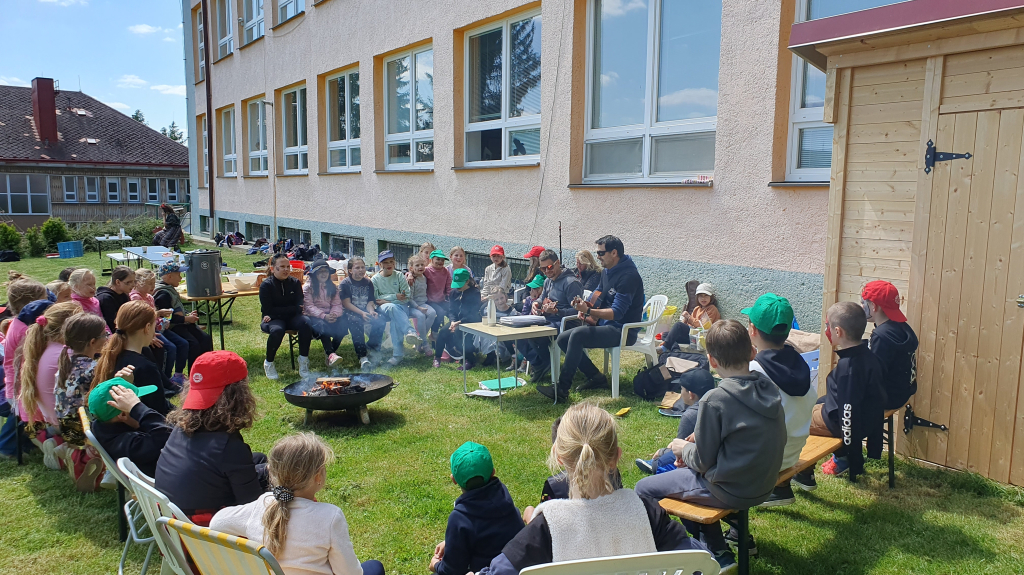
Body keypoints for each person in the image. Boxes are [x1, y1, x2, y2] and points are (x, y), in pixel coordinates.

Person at [478, 402, 706, 575]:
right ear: (615, 457)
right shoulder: (647, 512)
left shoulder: (547, 527)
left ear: (559, 457)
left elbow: (500, 571)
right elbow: (699, 561)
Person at [634, 320, 787, 572]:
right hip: (764, 485)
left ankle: (702, 550)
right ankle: (721, 541)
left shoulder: (714, 400)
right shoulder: (768, 388)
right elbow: (741, 436)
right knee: (685, 476)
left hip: (731, 489)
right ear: (752, 352)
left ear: (711, 361)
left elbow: (702, 461)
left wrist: (681, 448)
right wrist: (699, 437)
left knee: (643, 488)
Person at [211, 433, 385, 575]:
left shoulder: (262, 505)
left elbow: (217, 522)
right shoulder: (330, 517)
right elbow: (349, 573)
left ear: (272, 473)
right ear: (318, 477)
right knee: (375, 567)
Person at [156, 350, 269, 525]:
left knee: (260, 459)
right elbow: (252, 506)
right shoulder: (229, 446)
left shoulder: (180, 429)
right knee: (279, 482)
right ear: (238, 394)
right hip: (206, 533)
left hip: (172, 523)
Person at [539, 236, 645, 401]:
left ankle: (562, 389)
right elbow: (598, 294)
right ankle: (596, 377)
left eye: (601, 253)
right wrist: (585, 305)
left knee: (578, 335)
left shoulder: (628, 277)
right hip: (606, 325)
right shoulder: (607, 271)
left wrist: (588, 310)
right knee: (562, 339)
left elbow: (617, 313)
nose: (598, 257)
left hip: (623, 330)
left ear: (614, 253)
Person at [743, 294, 815, 508]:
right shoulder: (799, 362)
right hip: (792, 454)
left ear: (752, 330)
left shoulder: (754, 372)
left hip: (765, 463)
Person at [801, 301, 886, 483]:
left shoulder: (848, 369)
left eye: (827, 326)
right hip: (866, 419)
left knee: (794, 419)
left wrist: (854, 457)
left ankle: (802, 472)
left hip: (842, 424)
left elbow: (848, 415)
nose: (826, 330)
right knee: (817, 403)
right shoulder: (869, 357)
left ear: (838, 332)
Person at [429, 442, 524, 575]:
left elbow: (452, 570)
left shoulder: (459, 518)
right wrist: (450, 542)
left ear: (453, 479)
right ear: (493, 472)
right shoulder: (503, 497)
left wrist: (436, 565)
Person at [17, 301, 83, 471]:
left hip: (51, 419)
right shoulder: (65, 354)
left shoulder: (44, 348)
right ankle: (73, 452)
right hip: (67, 422)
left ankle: (60, 444)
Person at [522, 416, 623, 524]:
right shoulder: (612, 473)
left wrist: (529, 514)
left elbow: (545, 525)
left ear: (559, 455)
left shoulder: (553, 485)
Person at [93, 301, 176, 413]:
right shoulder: (144, 367)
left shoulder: (112, 354)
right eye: (154, 326)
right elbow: (159, 409)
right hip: (142, 420)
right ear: (147, 328)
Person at [0, 273, 48, 458]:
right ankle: (7, 447)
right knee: (22, 413)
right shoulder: (24, 329)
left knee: (24, 412)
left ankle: (27, 442)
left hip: (18, 379)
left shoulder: (19, 323)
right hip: (19, 383)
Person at [88, 376, 172, 479]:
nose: (144, 405)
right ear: (123, 414)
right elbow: (171, 436)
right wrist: (138, 409)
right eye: (138, 402)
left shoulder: (103, 427)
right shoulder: (130, 445)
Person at [634, 369, 715, 475]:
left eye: (681, 389)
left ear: (690, 394)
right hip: (717, 453)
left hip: (700, 459)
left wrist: (663, 451)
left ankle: (655, 465)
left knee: (669, 457)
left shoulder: (689, 416)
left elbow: (679, 448)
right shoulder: (718, 405)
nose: (680, 392)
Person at [527, 250, 583, 383]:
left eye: (549, 267)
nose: (547, 271)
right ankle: (542, 362)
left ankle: (543, 363)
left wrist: (557, 311)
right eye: (543, 268)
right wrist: (536, 303)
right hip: (549, 319)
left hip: (566, 323)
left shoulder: (571, 283)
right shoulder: (548, 281)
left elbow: (578, 311)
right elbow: (541, 298)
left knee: (534, 333)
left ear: (557, 263)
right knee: (523, 331)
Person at [862, 280, 918, 409]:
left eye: (863, 303)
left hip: (888, 399)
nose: (862, 307)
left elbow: (873, 375)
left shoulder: (881, 336)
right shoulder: (902, 327)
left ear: (874, 306)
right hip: (903, 393)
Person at [54, 313, 108, 446]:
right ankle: (81, 453)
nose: (107, 338)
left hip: (66, 429)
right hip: (86, 432)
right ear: (93, 342)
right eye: (104, 335)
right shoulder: (93, 369)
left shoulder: (65, 365)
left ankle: (70, 450)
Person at [154, 261, 213, 374]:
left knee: (205, 338)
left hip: (182, 323)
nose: (181, 278)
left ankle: (206, 369)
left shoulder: (169, 288)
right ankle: (194, 374)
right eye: (178, 275)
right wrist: (186, 319)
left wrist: (188, 315)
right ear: (169, 276)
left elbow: (177, 309)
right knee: (193, 344)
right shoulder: (163, 294)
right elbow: (167, 318)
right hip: (172, 327)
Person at [260, 253, 312, 380]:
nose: (286, 270)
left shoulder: (295, 282)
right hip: (273, 320)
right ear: (273, 269)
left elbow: (300, 306)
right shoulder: (266, 285)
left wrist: (282, 310)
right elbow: (268, 309)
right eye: (282, 267)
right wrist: (291, 309)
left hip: (289, 317)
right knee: (277, 330)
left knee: (306, 322)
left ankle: (303, 360)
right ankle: (269, 362)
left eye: (288, 267)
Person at [132, 268, 185, 385]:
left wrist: (162, 321)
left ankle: (173, 377)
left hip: (157, 328)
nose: (153, 286)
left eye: (153, 283)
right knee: (170, 348)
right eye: (149, 284)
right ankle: (163, 380)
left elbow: (154, 318)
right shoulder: (135, 297)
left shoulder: (150, 297)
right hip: (146, 331)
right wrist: (159, 313)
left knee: (182, 343)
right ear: (138, 283)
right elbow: (142, 318)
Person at [370, 250, 421, 366]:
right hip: (385, 309)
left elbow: (406, 296)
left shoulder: (399, 275)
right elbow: (377, 299)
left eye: (391, 261)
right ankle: (410, 331)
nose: (389, 264)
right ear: (380, 264)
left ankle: (397, 356)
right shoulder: (375, 280)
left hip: (401, 307)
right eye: (385, 262)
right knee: (392, 307)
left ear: (395, 263)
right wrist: (394, 297)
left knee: (395, 322)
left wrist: (386, 300)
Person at [433, 269, 482, 370]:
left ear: (467, 281)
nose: (457, 287)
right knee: (443, 331)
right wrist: (453, 321)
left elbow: (473, 312)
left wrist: (459, 323)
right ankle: (437, 357)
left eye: (460, 284)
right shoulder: (453, 293)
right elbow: (451, 310)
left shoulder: (475, 293)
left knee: (459, 333)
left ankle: (470, 360)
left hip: (470, 321)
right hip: (456, 321)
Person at [340, 256, 380, 370]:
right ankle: (362, 357)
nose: (361, 270)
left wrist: (371, 311)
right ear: (350, 270)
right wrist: (362, 313)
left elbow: (370, 301)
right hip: (350, 312)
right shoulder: (345, 284)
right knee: (356, 322)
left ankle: (372, 347)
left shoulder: (368, 282)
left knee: (379, 320)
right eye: (357, 268)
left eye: (363, 267)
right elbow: (346, 304)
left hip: (365, 310)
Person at [303, 258, 345, 367]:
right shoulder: (308, 287)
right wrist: (323, 316)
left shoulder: (333, 287)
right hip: (313, 316)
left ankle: (330, 353)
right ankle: (330, 354)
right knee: (322, 325)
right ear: (314, 274)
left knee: (344, 325)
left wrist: (334, 314)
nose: (323, 274)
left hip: (329, 314)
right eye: (320, 272)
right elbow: (309, 306)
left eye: (325, 271)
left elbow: (337, 304)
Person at [661, 283, 721, 353]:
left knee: (678, 325)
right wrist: (685, 320)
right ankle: (675, 349)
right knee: (665, 335)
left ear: (711, 297)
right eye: (700, 296)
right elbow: (690, 324)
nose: (703, 298)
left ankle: (664, 347)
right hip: (692, 336)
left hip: (702, 337)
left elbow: (702, 326)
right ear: (697, 298)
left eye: (706, 296)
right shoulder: (697, 308)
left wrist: (689, 317)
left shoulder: (712, 309)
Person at [407, 254, 436, 355]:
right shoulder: (412, 280)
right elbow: (409, 298)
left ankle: (419, 339)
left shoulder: (424, 277)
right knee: (421, 316)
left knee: (432, 313)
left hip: (423, 303)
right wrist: (418, 307)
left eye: (422, 265)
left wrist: (421, 306)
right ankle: (425, 343)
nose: (420, 267)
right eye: (417, 265)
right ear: (411, 268)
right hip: (412, 306)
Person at [96, 266, 136, 333]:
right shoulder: (106, 299)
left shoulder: (124, 295)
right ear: (118, 282)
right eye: (128, 282)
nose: (133, 285)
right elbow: (112, 325)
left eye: (134, 281)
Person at [424, 250, 453, 338]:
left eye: (442, 260)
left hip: (441, 300)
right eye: (438, 259)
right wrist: (409, 275)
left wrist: (451, 298)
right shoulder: (426, 270)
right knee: (440, 312)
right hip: (429, 301)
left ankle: (452, 332)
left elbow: (449, 286)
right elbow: (413, 272)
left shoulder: (445, 271)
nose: (440, 262)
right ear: (431, 260)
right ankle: (434, 333)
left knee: (453, 310)